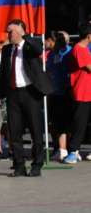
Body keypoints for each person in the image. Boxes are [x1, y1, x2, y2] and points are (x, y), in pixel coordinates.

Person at [0, 19, 52, 177]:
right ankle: (19, 165)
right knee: (14, 131)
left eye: (11, 31)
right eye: (7, 32)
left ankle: (37, 164)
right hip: (13, 93)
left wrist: (24, 36)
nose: (8, 35)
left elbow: (38, 49)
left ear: (20, 31)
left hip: (30, 92)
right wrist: (2, 94)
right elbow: (3, 72)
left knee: (35, 130)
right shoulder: (7, 49)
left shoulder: (30, 45)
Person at [64, 25, 91, 164]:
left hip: (88, 92)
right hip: (82, 92)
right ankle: (73, 152)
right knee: (79, 123)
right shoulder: (79, 49)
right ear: (89, 36)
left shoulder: (84, 49)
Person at [46, 31, 72, 161]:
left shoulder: (68, 52)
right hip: (53, 92)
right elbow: (49, 69)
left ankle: (65, 149)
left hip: (65, 91)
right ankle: (59, 148)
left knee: (63, 122)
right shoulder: (52, 54)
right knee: (54, 122)